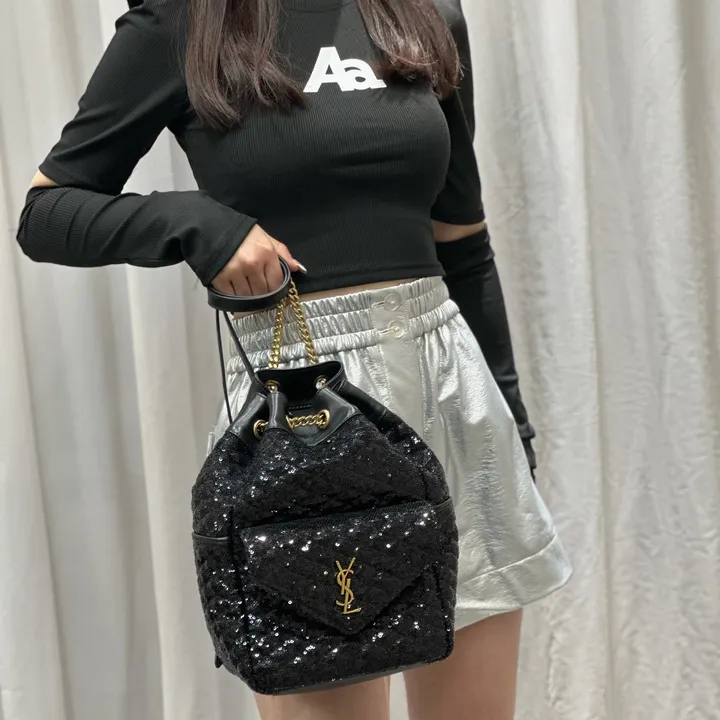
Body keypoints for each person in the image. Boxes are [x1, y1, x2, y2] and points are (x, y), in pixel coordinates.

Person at [16, 0, 572, 717]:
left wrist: (513, 421)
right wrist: (199, 224)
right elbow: (48, 212)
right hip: (301, 419)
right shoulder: (184, 21)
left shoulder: (427, 9)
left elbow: (462, 240)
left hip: (455, 400)